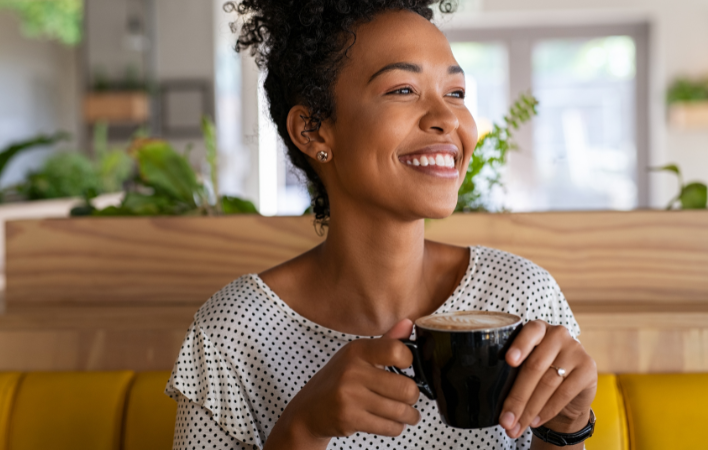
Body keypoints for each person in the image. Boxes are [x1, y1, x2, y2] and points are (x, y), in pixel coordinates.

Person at [166, 1, 598, 449]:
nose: (449, 118)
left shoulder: (522, 296)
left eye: (455, 93)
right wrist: (304, 427)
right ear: (313, 131)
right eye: (403, 90)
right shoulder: (231, 333)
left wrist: (566, 426)